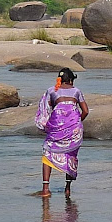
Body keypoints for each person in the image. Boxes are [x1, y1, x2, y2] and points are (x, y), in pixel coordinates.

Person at [34, 67, 89, 198]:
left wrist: (45, 126)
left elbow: (45, 109)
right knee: (71, 155)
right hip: (74, 130)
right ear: (70, 80)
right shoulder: (77, 91)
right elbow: (85, 111)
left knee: (47, 153)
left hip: (56, 129)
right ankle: (68, 188)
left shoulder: (52, 91)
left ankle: (46, 189)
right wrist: (76, 123)